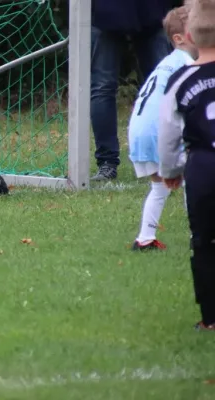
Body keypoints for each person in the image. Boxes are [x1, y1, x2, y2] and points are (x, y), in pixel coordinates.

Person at [158, 0, 215, 330]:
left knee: (205, 241)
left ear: (189, 35)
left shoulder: (180, 80)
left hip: (204, 167)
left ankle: (210, 317)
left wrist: (170, 170)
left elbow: (167, 133)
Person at [128, 5, 197, 251]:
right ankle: (199, 235)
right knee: (195, 181)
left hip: (140, 132)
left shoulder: (169, 63)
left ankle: (145, 239)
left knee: (160, 186)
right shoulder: (187, 65)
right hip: (158, 133)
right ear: (178, 38)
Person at [90, 0, 177, 181]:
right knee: (102, 87)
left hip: (150, 11)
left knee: (166, 85)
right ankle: (107, 163)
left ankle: (170, 157)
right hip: (104, 12)